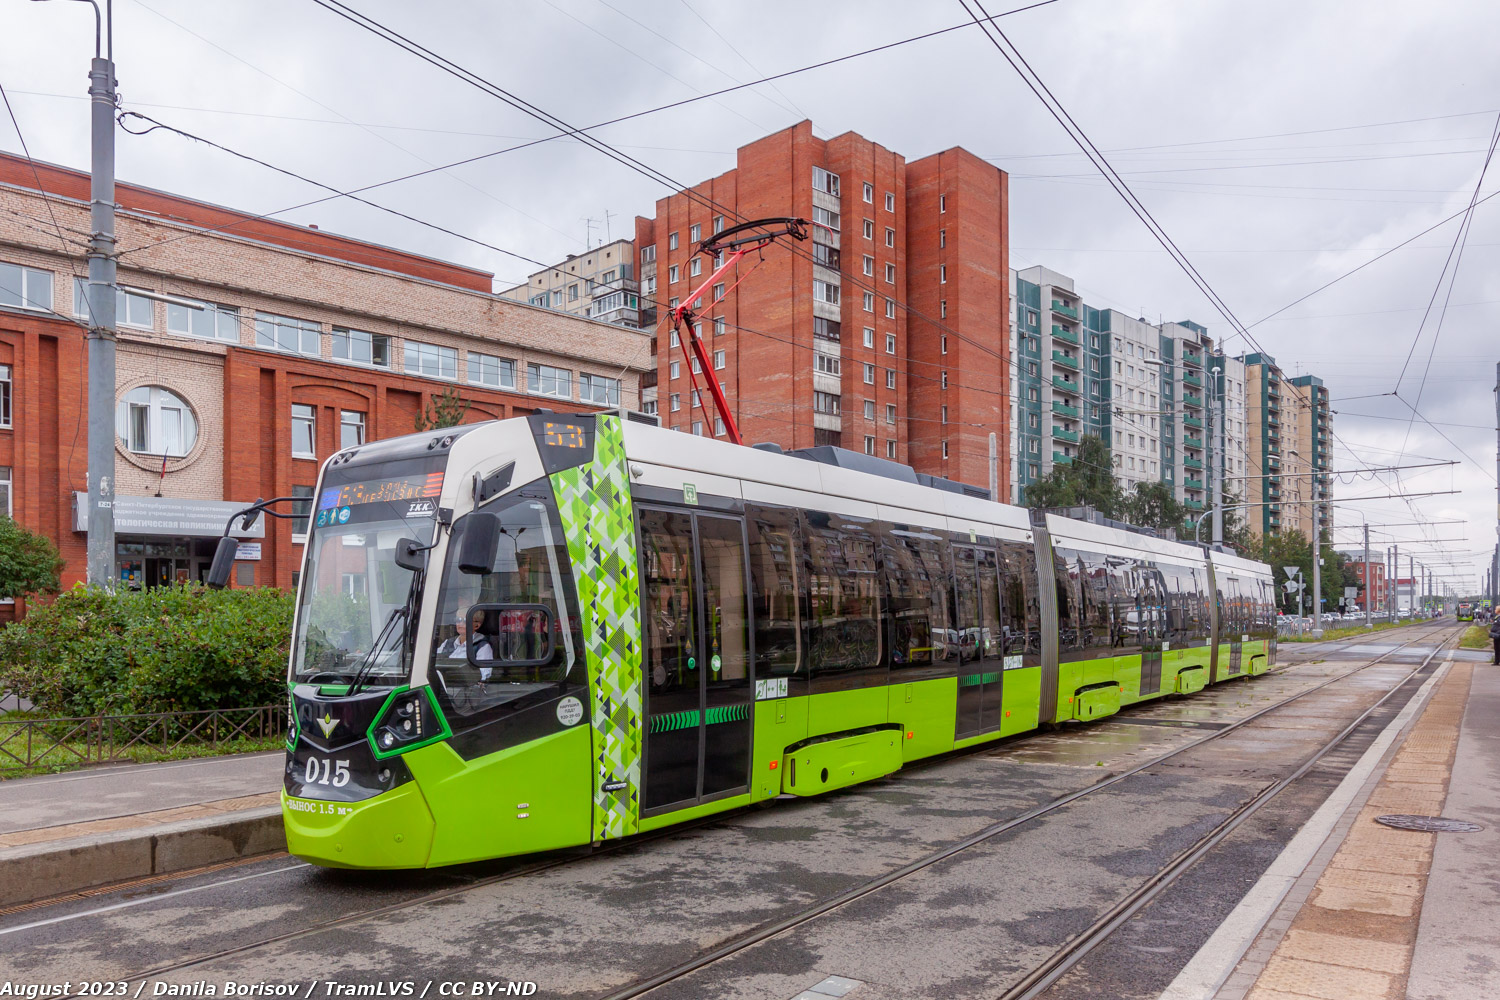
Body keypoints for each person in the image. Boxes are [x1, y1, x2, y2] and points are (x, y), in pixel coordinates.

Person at [437, 609, 496, 680]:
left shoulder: (482, 646)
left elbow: (483, 674)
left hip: (465, 688)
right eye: (458, 620)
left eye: (465, 620)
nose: (460, 624)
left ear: (477, 625)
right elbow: (434, 661)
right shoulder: (447, 642)